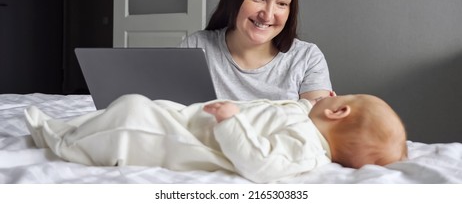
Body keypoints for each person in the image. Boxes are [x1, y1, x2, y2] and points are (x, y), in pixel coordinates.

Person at [25, 93, 407, 183]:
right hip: (192, 117)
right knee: (142, 105)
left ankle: (62, 141)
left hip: (192, 138)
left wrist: (231, 121)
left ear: (337, 112)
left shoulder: (308, 148)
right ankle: (68, 130)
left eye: (342, 96)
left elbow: (262, 163)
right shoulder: (302, 115)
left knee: (132, 113)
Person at [180, 0, 332, 102]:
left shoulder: (307, 58)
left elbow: (318, 123)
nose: (267, 15)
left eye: (282, 3)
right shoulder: (196, 47)